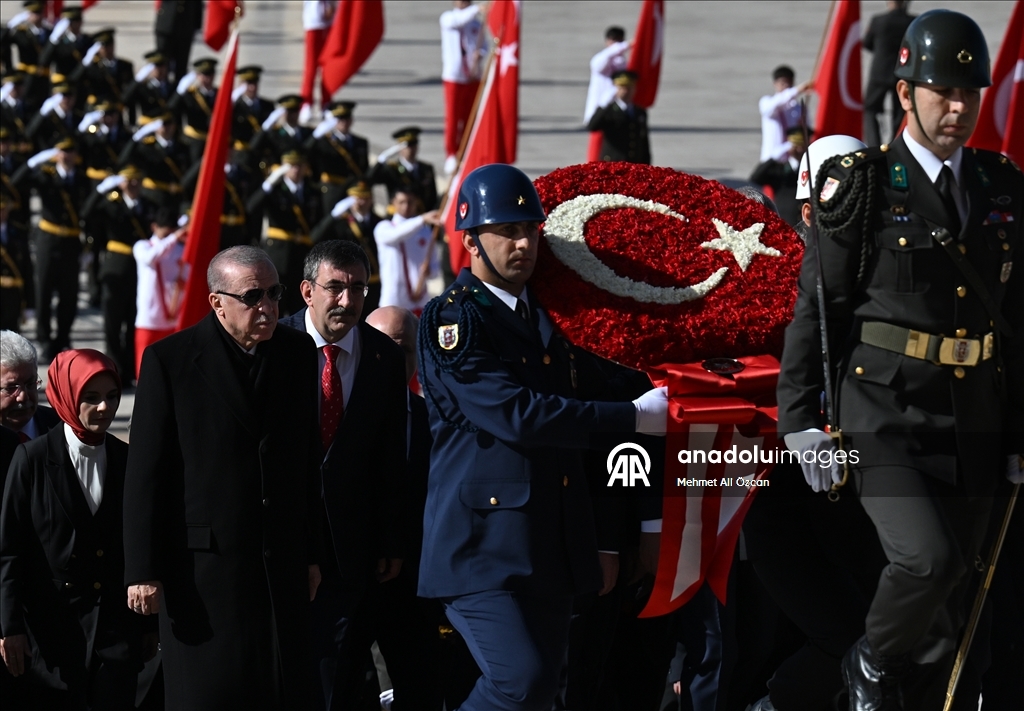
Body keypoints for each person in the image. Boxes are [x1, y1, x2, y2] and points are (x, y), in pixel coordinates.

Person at [776, 11, 1023, 710]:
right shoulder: (863, 184)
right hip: (880, 414)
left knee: (957, 618)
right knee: (928, 560)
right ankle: (870, 659)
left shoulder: (1003, 187)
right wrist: (798, 421)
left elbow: (1017, 322)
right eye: (942, 90)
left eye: (968, 93)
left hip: (971, 415)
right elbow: (817, 310)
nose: (957, 106)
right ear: (906, 91)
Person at [416, 163, 669, 711]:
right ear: (470, 241)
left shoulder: (550, 319)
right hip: (484, 545)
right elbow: (515, 414)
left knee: (547, 689)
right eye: (506, 231)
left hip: (551, 541)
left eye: (529, 229)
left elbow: (606, 381)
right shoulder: (453, 320)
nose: (522, 242)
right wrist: (631, 418)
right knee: (521, 681)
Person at [122, 245, 323, 710]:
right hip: (204, 569)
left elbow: (306, 462)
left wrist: (313, 551)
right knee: (211, 693)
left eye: (275, 294)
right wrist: (141, 570)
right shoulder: (170, 361)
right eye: (254, 296)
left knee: (282, 690)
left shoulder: (296, 353)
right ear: (217, 302)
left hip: (280, 561)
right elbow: (147, 474)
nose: (269, 307)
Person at [279, 240, 407, 710]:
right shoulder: (273, 344)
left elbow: (390, 455)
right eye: (335, 288)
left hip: (351, 547)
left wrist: (391, 540)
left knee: (337, 668)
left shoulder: (383, 358)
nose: (348, 300)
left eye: (358, 288)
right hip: (283, 540)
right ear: (307, 291)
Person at [0, 348, 153, 708]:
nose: (104, 408)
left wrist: (147, 627)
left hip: (115, 639)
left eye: (112, 397)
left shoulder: (125, 458)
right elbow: (9, 550)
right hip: (51, 639)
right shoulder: (32, 460)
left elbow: (139, 539)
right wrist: (10, 628)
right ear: (67, 396)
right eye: (91, 397)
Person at [366, 305, 445, 711]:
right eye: (381, 348)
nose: (393, 360)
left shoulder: (435, 422)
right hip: (353, 585)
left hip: (416, 589)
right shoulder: (329, 418)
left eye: (403, 350)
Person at [12, 136, 91, 361]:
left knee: (69, 295)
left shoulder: (81, 179)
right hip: (48, 240)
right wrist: (34, 161)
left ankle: (63, 337)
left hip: (71, 243)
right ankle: (45, 340)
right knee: (44, 292)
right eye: (63, 152)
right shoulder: (46, 177)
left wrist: (89, 246)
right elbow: (16, 182)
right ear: (57, 154)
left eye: (71, 151)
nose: (67, 156)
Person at [248, 149, 325, 316]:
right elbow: (251, 207)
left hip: (302, 255)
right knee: (276, 302)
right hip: (279, 254)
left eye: (299, 166)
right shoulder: (275, 190)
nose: (296, 170)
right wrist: (269, 183)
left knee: (299, 305)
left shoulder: (313, 192)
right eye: (291, 166)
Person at [312, 181, 384, 315]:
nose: (362, 203)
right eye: (357, 199)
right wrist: (332, 216)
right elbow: (315, 237)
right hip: (351, 282)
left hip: (375, 282)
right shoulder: (342, 224)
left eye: (366, 198)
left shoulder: (380, 222)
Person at [132, 208, 186, 379]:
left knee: (170, 368)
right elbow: (151, 257)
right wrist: (175, 237)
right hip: (149, 319)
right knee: (145, 370)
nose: (169, 233)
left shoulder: (179, 249)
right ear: (154, 227)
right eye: (165, 229)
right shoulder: (142, 246)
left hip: (172, 319)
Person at [374, 185, 441, 314]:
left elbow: (435, 269)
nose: (406, 206)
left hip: (419, 299)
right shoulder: (384, 227)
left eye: (410, 202)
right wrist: (422, 219)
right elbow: (398, 234)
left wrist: (429, 271)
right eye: (401, 202)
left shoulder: (425, 231)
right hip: (394, 299)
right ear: (393, 203)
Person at [439, 0, 485, 174]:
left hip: (472, 76)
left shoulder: (475, 22)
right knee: (453, 116)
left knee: (469, 116)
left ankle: (466, 150)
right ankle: (452, 152)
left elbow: (484, 45)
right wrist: (477, 9)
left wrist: (479, 55)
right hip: (454, 76)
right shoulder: (448, 17)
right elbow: (458, 21)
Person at [863, 1, 916, 146]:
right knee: (900, 111)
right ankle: (894, 143)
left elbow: (867, 43)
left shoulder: (878, 20)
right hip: (902, 71)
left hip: (880, 71)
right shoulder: (913, 22)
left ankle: (874, 144)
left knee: (871, 109)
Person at [584, 26, 630, 162]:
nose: (617, 45)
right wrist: (626, 45)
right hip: (600, 113)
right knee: (595, 159)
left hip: (617, 113)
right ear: (607, 41)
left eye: (620, 41)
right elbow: (602, 62)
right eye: (614, 41)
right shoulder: (601, 59)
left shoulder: (622, 63)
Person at [586, 70, 651, 164]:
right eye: (622, 87)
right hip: (613, 162)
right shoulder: (608, 110)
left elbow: (644, 141)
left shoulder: (639, 112)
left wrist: (646, 164)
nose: (626, 91)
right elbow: (592, 126)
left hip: (634, 163)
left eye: (629, 87)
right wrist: (603, 106)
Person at [368, 126, 439, 210]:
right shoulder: (392, 169)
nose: (411, 149)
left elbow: (433, 197)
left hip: (421, 214)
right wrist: (381, 160)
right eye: (407, 145)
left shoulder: (426, 168)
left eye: (414, 144)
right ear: (399, 147)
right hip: (398, 215)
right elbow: (369, 180)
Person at [749, 128, 807, 226]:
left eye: (801, 146)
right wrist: (772, 158)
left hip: (804, 223)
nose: (799, 150)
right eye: (795, 146)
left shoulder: (808, 167)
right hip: (784, 222)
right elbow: (755, 178)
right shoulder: (780, 169)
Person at [758, 65, 812, 163]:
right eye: (782, 83)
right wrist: (797, 90)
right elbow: (772, 107)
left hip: (793, 161)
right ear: (774, 84)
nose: (786, 86)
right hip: (772, 160)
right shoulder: (767, 102)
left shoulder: (800, 109)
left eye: (788, 83)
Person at [300, 0, 337, 112]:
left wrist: (332, 5)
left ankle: (326, 102)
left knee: (328, 67)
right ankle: (306, 102)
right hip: (313, 21)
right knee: (311, 66)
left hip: (330, 23)